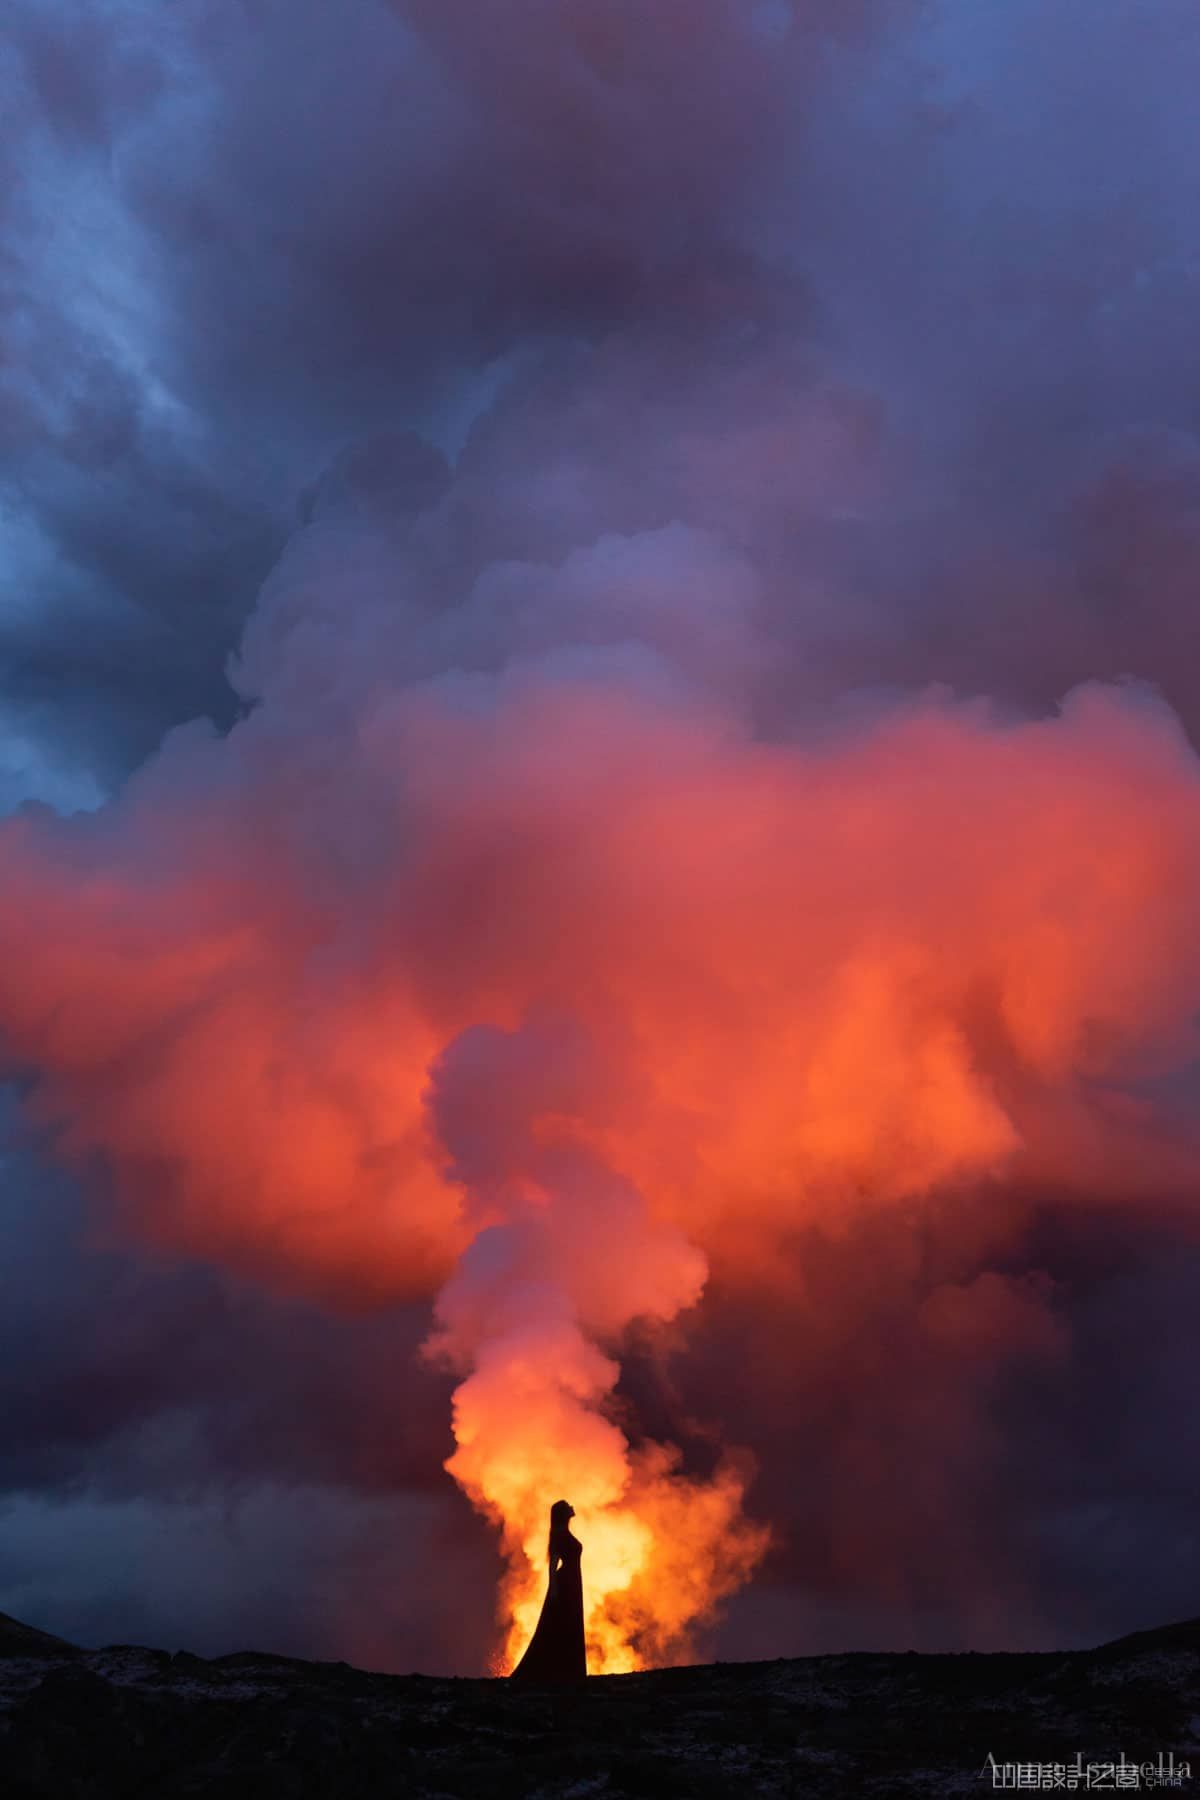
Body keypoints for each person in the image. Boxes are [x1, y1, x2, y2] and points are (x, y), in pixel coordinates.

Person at [508, 1499, 587, 1685]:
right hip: (566, 1582)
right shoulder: (560, 1535)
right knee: (561, 1623)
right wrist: (554, 1588)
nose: (572, 1506)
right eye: (568, 1506)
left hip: (572, 1582)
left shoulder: (564, 1533)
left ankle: (569, 1671)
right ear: (562, 1513)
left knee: (569, 1622)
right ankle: (559, 1671)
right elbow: (553, 1564)